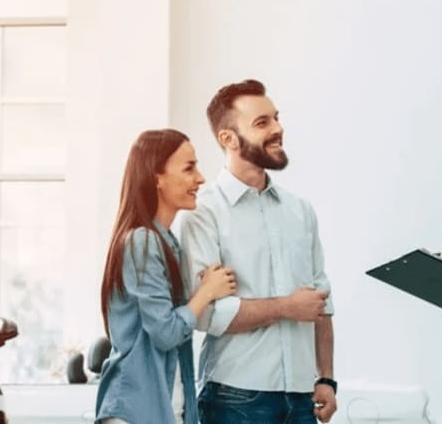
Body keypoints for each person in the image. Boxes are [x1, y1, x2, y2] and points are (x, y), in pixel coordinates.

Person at [175, 79, 338, 423]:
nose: (278, 129)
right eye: (262, 123)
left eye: (276, 118)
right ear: (228, 138)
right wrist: (288, 306)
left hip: (302, 396)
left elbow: (321, 302)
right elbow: (208, 315)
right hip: (234, 398)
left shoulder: (300, 211)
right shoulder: (202, 213)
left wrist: (326, 377)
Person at [95, 129, 238, 424]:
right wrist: (205, 293)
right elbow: (165, 333)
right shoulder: (142, 242)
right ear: (156, 177)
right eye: (189, 168)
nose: (200, 178)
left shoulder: (166, 242)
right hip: (135, 411)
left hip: (161, 409)